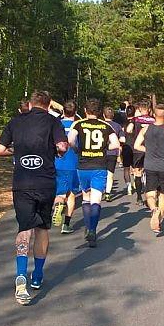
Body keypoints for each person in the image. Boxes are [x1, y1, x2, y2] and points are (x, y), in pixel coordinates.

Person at [0, 91, 68, 305]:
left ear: (30, 103)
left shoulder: (15, 122)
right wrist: (57, 152)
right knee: (42, 229)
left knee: (24, 229)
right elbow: (62, 147)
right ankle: (37, 274)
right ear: (47, 105)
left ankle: (21, 276)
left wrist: (17, 152)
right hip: (45, 182)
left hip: (22, 183)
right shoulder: (53, 122)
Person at [67, 99, 119, 247]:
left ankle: (88, 226)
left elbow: (70, 140)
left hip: (83, 165)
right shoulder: (106, 126)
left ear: (85, 110)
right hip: (99, 166)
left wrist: (77, 149)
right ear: (100, 112)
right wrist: (104, 149)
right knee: (96, 199)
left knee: (86, 197)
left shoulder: (78, 124)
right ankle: (92, 230)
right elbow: (116, 144)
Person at [133, 104, 164, 234]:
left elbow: (136, 145)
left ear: (154, 115)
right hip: (163, 166)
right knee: (161, 194)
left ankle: (153, 209)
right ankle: (159, 221)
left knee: (150, 193)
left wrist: (148, 150)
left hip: (150, 165)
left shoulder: (146, 129)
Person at [53, 100, 81, 234]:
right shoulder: (78, 127)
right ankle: (66, 224)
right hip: (73, 163)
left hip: (56, 162)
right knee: (71, 194)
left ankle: (58, 204)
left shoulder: (55, 125)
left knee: (59, 192)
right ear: (75, 112)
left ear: (63, 111)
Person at [125, 100, 156, 206]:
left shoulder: (135, 119)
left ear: (139, 109)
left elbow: (128, 130)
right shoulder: (153, 120)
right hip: (151, 149)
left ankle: (139, 197)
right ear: (149, 109)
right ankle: (150, 197)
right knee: (150, 173)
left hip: (138, 150)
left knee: (137, 173)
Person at [103, 106, 125, 202]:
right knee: (110, 174)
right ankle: (108, 193)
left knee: (100, 172)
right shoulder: (117, 126)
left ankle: (100, 190)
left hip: (100, 152)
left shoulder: (100, 124)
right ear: (113, 116)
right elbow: (123, 139)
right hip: (112, 152)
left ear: (103, 115)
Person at [120, 105, 136, 195]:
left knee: (126, 168)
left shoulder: (123, 124)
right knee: (136, 167)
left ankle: (129, 187)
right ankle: (137, 182)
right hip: (135, 147)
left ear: (126, 113)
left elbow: (121, 136)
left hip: (126, 147)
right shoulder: (136, 122)